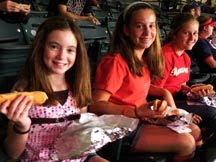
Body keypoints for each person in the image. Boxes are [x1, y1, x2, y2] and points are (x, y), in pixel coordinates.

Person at [89, 2, 202, 162]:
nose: (147, 32)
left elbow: (136, 86)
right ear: (126, 30)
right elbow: (96, 105)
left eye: (151, 26)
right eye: (139, 26)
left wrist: (163, 94)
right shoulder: (115, 61)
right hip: (117, 126)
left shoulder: (143, 59)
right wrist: (134, 112)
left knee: (195, 131)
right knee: (187, 143)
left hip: (140, 119)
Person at [0, 16, 108, 162]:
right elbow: (13, 154)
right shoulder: (23, 89)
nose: (62, 56)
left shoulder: (78, 87)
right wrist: (22, 125)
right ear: (41, 47)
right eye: (54, 46)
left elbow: (80, 132)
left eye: (70, 50)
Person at [153, 13, 216, 131]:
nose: (192, 38)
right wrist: (179, 113)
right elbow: (156, 92)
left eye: (195, 33)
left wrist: (193, 92)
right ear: (174, 34)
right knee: (212, 114)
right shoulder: (164, 56)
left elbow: (181, 84)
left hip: (180, 98)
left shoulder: (185, 57)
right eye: (186, 33)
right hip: (166, 103)